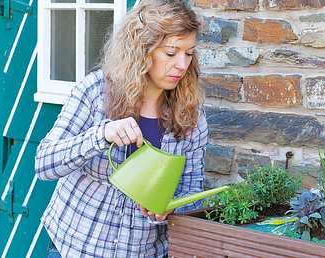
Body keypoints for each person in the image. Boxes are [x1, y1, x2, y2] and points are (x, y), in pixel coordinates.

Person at [35, 0, 207, 257]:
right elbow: (44, 163)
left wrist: (170, 208)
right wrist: (100, 135)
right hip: (75, 247)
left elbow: (193, 192)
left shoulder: (191, 115)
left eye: (189, 53)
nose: (182, 65)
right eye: (171, 53)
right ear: (142, 50)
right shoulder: (95, 92)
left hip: (144, 251)